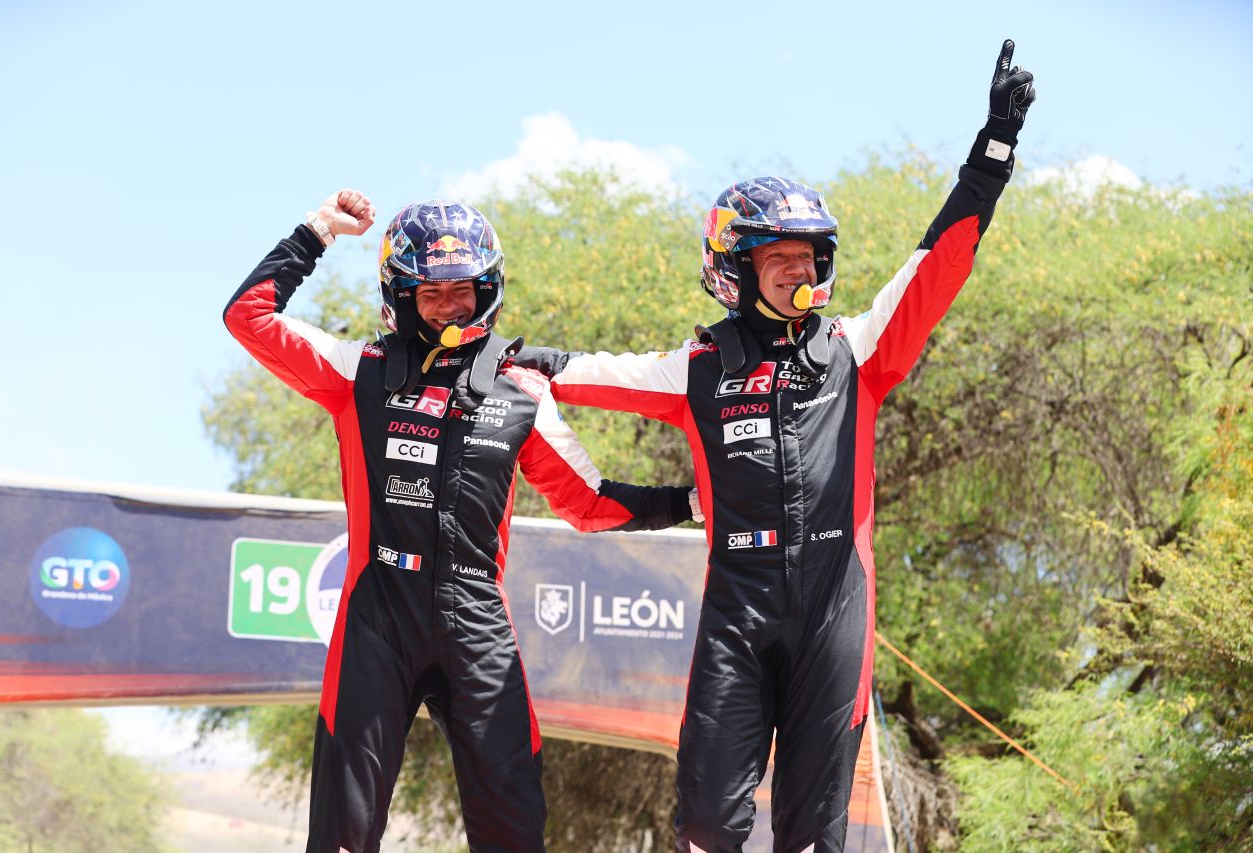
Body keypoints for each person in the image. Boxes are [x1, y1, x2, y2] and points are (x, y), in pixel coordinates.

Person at [514, 40, 1036, 851]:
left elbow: (937, 267)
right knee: (705, 823)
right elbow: (576, 372)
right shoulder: (695, 369)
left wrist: (993, 150)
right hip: (738, 610)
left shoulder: (858, 351)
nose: (801, 270)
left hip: (834, 610)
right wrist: (504, 359)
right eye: (780, 257)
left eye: (809, 256)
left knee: (814, 831)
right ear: (733, 268)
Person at [223, 192, 702, 852]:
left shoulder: (521, 388)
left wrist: (694, 503)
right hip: (379, 616)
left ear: (489, 291)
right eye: (432, 294)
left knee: (515, 831)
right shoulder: (358, 372)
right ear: (400, 297)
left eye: (463, 291)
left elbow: (588, 502)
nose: (450, 307)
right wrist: (317, 232)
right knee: (342, 833)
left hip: (475, 617)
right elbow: (248, 317)